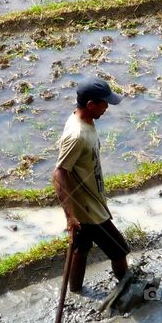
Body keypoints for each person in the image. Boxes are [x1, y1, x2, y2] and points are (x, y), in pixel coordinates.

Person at [53, 76, 130, 293]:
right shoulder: (77, 135)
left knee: (81, 248)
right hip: (89, 210)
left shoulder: (84, 120)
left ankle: (75, 290)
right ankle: (127, 288)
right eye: (104, 103)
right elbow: (59, 173)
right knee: (119, 250)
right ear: (90, 105)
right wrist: (70, 215)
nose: (107, 107)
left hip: (88, 202)